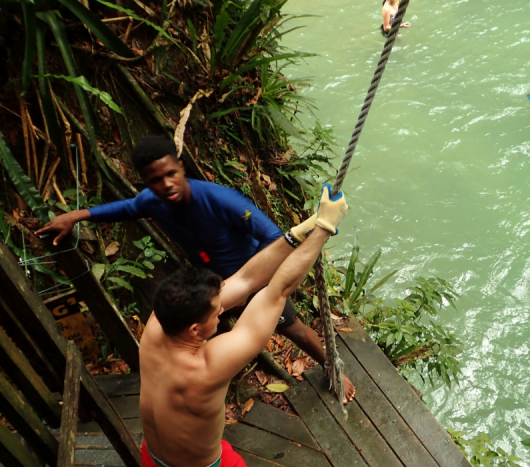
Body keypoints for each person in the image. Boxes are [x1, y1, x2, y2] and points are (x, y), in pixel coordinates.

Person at [37, 136, 356, 402]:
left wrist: (316, 230)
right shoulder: (151, 201)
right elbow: (125, 209)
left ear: (180, 167)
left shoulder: (221, 200)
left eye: (170, 174)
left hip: (252, 278)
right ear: (146, 182)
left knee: (292, 327)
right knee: (198, 336)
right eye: (155, 180)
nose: (166, 185)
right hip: (212, 286)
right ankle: (213, 391)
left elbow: (273, 237)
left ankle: (334, 370)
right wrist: (77, 216)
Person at [139, 185, 348, 467]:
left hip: (155, 461)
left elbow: (246, 281)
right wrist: (325, 231)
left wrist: (295, 235)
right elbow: (276, 291)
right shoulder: (207, 366)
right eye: (216, 312)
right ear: (195, 330)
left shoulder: (158, 324)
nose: (222, 311)